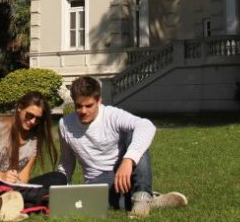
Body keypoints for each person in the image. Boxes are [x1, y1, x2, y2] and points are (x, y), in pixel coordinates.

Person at [58, 76, 188, 218]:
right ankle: (152, 200)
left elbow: (146, 125)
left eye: (89, 106)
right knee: (87, 203)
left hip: (125, 173)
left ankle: (142, 197)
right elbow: (67, 162)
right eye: (78, 106)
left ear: (99, 101)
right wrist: (62, 189)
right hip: (96, 182)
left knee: (134, 134)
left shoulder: (111, 115)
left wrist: (128, 160)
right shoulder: (65, 124)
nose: (83, 111)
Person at [0, 91, 67, 205]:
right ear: (20, 107)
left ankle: (12, 199)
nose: (32, 121)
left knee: (59, 178)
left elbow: (24, 176)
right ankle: (32, 199)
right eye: (29, 115)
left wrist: (18, 182)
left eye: (37, 119)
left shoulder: (35, 138)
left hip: (17, 187)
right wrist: (2, 176)